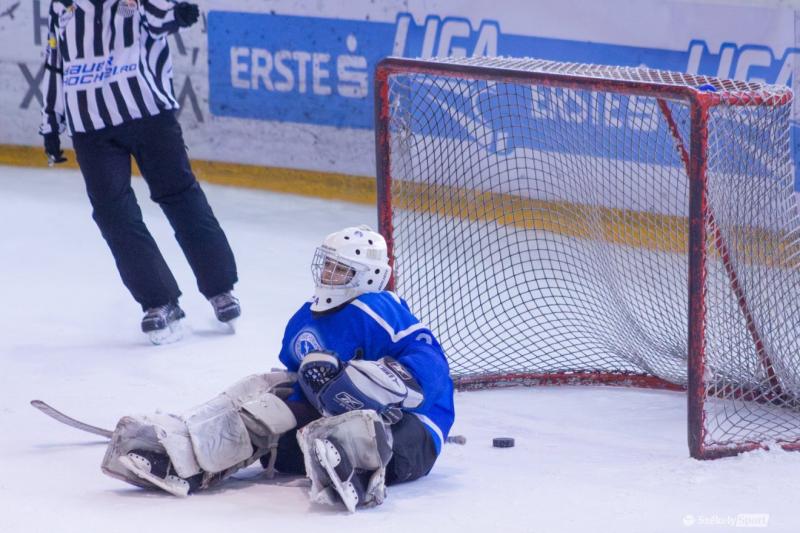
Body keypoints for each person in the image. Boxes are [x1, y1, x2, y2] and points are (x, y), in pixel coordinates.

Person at [100, 226, 455, 512]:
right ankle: (186, 457)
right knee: (267, 391)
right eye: (327, 265)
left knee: (359, 416)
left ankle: (356, 468)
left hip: (412, 434)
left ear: (369, 276)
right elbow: (299, 388)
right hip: (319, 439)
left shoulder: (380, 307)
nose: (329, 274)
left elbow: (431, 364)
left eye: (340, 269)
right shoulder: (303, 320)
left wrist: (376, 382)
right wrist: (272, 410)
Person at [39, 0, 239, 344]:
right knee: (113, 214)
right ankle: (159, 301)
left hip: (149, 115)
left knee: (180, 196)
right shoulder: (63, 6)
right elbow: (56, 62)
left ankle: (220, 289)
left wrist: (177, 15)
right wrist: (50, 123)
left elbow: (159, 17)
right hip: (91, 127)